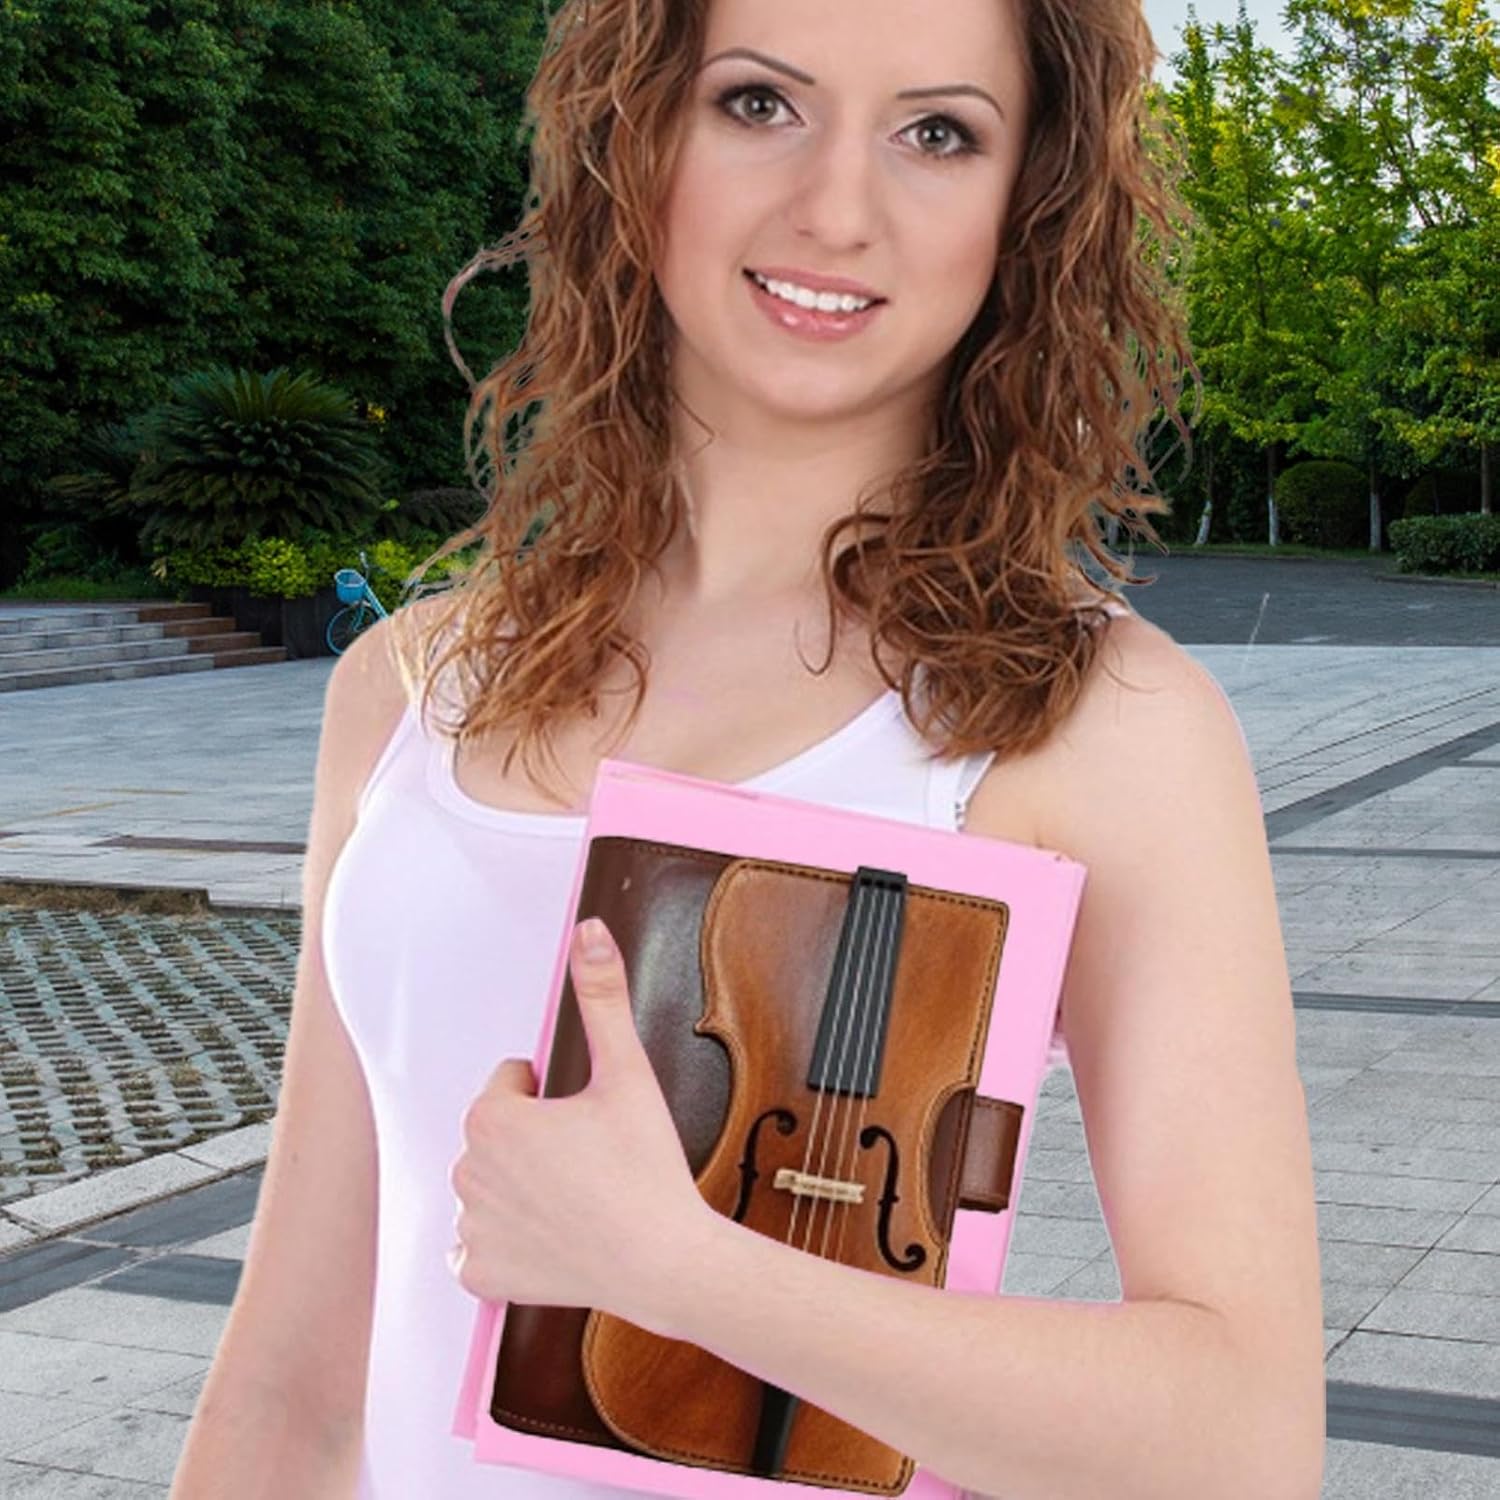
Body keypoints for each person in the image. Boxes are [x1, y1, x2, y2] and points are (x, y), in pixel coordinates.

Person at [170, 1, 1326, 1497]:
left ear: (1027, 202)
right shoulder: (407, 690)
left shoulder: (1099, 720)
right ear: (638, 135)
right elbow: (296, 1383)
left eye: (938, 132)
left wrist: (682, 1274)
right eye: (760, 104)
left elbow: (1242, 1442)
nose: (837, 209)